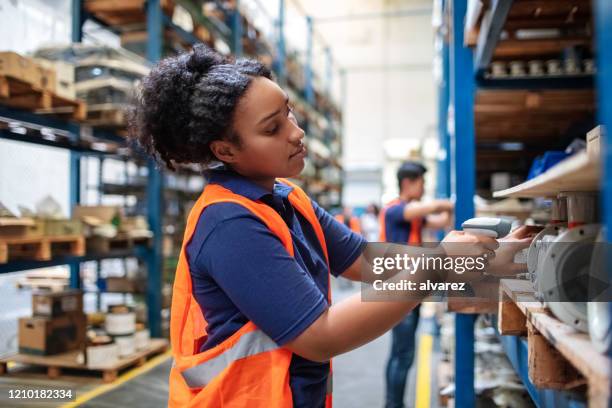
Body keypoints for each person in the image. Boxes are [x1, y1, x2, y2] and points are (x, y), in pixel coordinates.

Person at [128, 45, 530, 408]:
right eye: (272, 128)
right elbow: (320, 336)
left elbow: (365, 259)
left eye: (288, 112)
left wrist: (480, 262)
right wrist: (437, 268)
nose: (296, 133)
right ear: (225, 150)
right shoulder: (229, 223)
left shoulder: (286, 198)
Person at [380, 161, 453, 408]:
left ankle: (393, 404)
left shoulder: (414, 217)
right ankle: (394, 405)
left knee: (401, 354)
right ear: (408, 183)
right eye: (422, 182)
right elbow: (431, 208)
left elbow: (441, 220)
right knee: (403, 355)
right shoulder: (393, 210)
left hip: (411, 292)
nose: (424, 188)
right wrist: (451, 202)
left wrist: (452, 212)